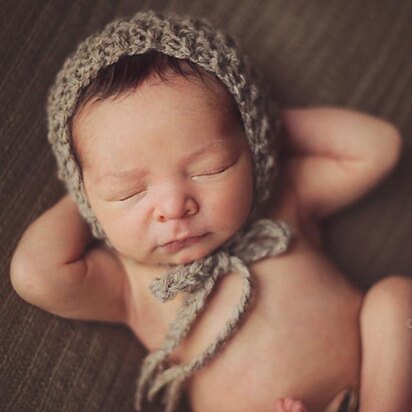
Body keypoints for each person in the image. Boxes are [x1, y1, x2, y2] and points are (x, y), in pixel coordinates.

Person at [9, 10, 412, 412]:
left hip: (373, 386)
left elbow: (378, 147)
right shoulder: (132, 285)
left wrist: (262, 125)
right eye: (128, 190)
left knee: (396, 299)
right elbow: (35, 275)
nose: (173, 207)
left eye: (210, 168)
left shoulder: (283, 202)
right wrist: (86, 190)